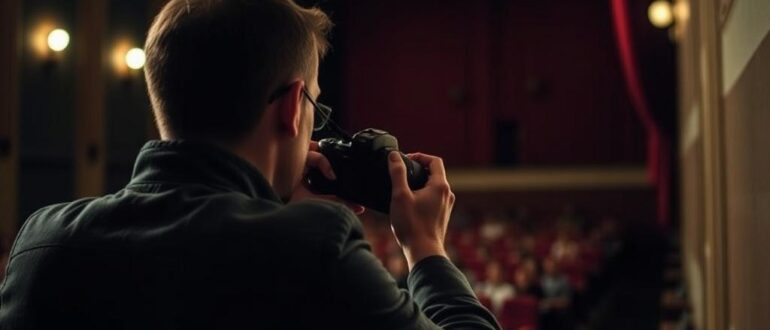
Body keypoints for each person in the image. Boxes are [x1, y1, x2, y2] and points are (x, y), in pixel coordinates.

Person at [0, 1, 499, 329]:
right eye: (315, 107)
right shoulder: (315, 247)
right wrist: (426, 248)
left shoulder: (41, 246)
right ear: (293, 105)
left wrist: (272, 199)